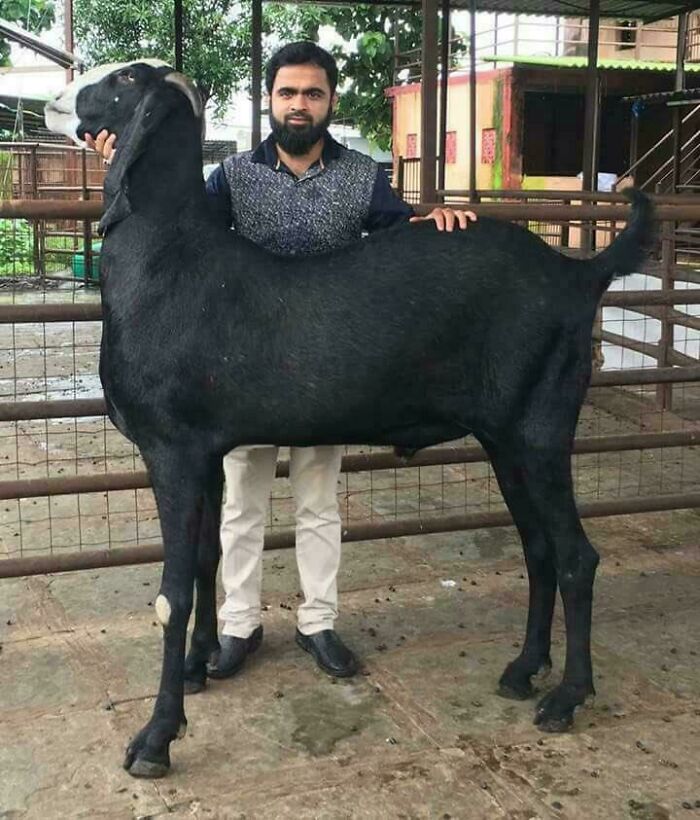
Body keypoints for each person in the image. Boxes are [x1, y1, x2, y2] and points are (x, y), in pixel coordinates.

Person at [87, 41, 475, 681]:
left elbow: (399, 236)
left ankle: (318, 622)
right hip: (240, 366)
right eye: (288, 93)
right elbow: (176, 228)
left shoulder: (361, 175)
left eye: (313, 94)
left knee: (319, 501)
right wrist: (127, 159)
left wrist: (436, 219)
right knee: (242, 502)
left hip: (326, 366)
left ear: (330, 103)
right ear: (269, 101)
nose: (300, 105)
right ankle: (239, 626)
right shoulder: (234, 175)